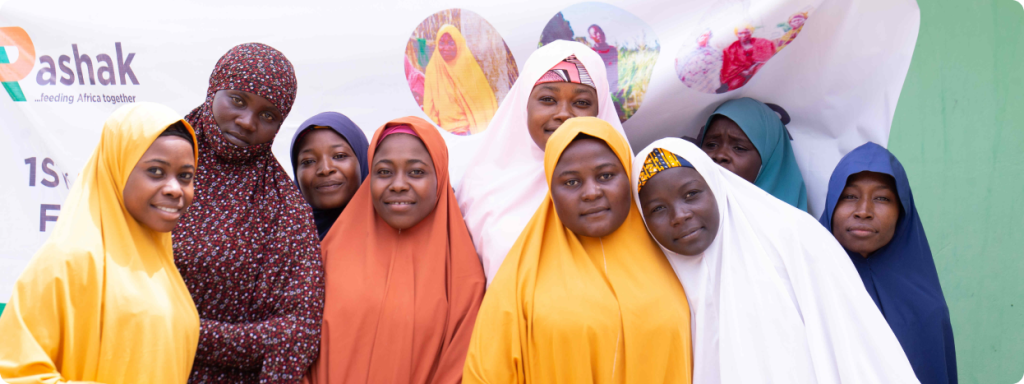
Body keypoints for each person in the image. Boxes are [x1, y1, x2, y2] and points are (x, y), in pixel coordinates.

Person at [631, 138, 920, 384]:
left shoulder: (794, 239)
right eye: (657, 208)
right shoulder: (648, 277)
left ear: (717, 185)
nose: (679, 215)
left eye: (692, 194)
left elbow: (858, 352)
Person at [464, 117, 692, 383]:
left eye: (606, 176)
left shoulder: (675, 254)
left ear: (628, 175)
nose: (592, 192)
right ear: (551, 190)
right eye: (571, 182)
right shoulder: (521, 279)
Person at [0, 103, 201, 384]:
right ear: (116, 169)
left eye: (186, 176)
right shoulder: (68, 260)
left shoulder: (163, 270)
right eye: (156, 171)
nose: (174, 189)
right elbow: (15, 374)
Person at [173, 43, 324, 383]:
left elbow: (297, 331)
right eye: (237, 100)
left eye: (268, 115)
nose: (246, 121)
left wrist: (186, 332)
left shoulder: (284, 207)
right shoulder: (147, 161)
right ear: (214, 87)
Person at [307, 117, 485, 384]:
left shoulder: (464, 279)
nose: (398, 184)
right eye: (384, 172)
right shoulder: (325, 257)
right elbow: (296, 352)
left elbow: (460, 369)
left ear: (440, 176)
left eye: (416, 172)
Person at [456, 40, 627, 285]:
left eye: (581, 103)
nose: (563, 114)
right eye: (548, 99)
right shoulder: (481, 188)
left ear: (600, 112)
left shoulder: (628, 185)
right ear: (523, 105)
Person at [819, 142, 957, 384]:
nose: (863, 211)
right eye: (849, 196)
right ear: (832, 204)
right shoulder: (798, 289)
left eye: (882, 198)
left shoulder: (927, 311)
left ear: (902, 212)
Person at [700, 97, 808, 210]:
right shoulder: (687, 217)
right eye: (711, 145)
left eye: (739, 148)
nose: (720, 155)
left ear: (768, 161)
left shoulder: (794, 225)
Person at [289, 112, 370, 240]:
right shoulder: (277, 241)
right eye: (308, 161)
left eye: (339, 156)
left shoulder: (392, 232)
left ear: (363, 160)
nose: (325, 170)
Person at [423, 25, 499, 135]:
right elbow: (429, 108)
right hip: (445, 132)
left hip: (472, 130)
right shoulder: (433, 68)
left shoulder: (468, 66)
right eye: (442, 43)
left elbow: (484, 103)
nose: (446, 48)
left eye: (451, 43)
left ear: (459, 45)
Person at [719, 25, 775, 92]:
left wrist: (754, 67)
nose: (744, 35)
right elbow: (729, 66)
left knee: (758, 75)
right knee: (734, 84)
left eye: (746, 32)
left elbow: (767, 59)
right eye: (740, 33)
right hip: (740, 73)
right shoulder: (730, 49)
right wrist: (742, 72)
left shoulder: (763, 43)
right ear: (736, 35)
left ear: (751, 32)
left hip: (758, 69)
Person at [588, 24, 619, 95]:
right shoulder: (591, 53)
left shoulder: (613, 50)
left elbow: (615, 70)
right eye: (595, 33)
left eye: (600, 32)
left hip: (614, 89)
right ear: (591, 37)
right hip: (599, 91)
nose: (599, 34)